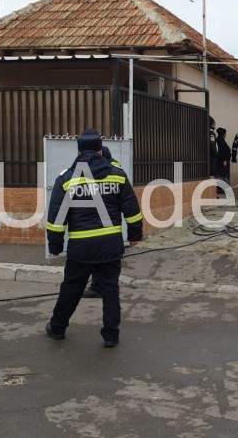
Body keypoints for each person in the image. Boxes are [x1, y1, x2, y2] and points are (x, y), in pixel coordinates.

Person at [45, 129, 143, 348]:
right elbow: (131, 208)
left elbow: (56, 219)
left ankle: (57, 328)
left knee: (71, 289)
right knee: (110, 291)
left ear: (78, 151)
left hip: (81, 249)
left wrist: (55, 246)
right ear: (100, 151)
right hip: (110, 246)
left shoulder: (67, 179)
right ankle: (111, 336)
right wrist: (135, 235)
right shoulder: (117, 175)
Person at [82, 145, 124, 299]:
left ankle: (98, 288)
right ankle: (105, 287)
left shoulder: (101, 171)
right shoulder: (116, 169)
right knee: (110, 260)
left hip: (99, 222)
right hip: (111, 223)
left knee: (99, 259)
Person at [215, 127, 231, 194]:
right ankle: (222, 189)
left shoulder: (220, 140)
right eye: (225, 133)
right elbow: (222, 151)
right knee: (222, 175)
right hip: (222, 161)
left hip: (221, 161)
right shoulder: (220, 141)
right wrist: (224, 159)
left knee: (222, 174)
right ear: (223, 134)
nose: (226, 135)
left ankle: (222, 188)